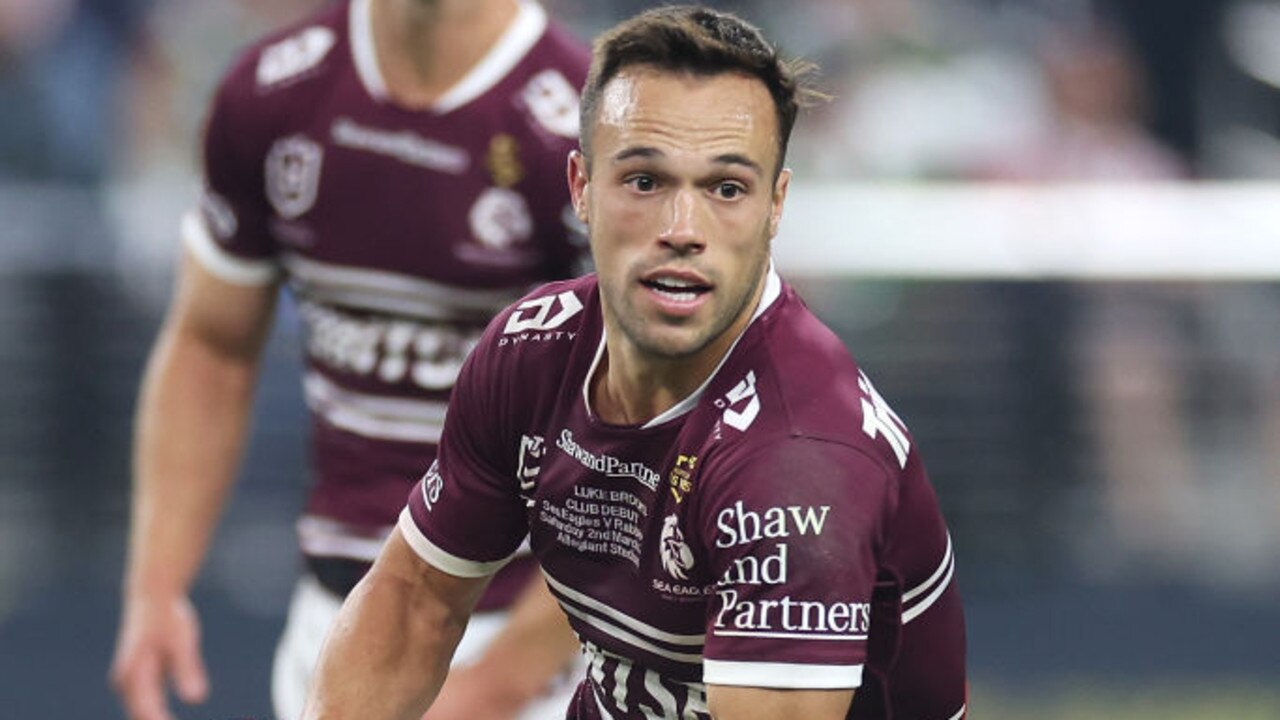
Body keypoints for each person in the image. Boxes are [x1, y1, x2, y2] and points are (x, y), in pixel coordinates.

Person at [302, 6, 968, 719]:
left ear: (777, 206)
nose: (682, 231)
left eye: (727, 189)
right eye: (645, 182)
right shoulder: (529, 353)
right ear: (581, 187)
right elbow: (412, 609)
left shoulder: (797, 463)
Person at [108, 1, 591, 719]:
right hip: (334, 623)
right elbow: (212, 346)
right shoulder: (273, 92)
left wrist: (501, 681)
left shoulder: (586, 126)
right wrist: (155, 586)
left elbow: (655, 428)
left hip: (525, 633)